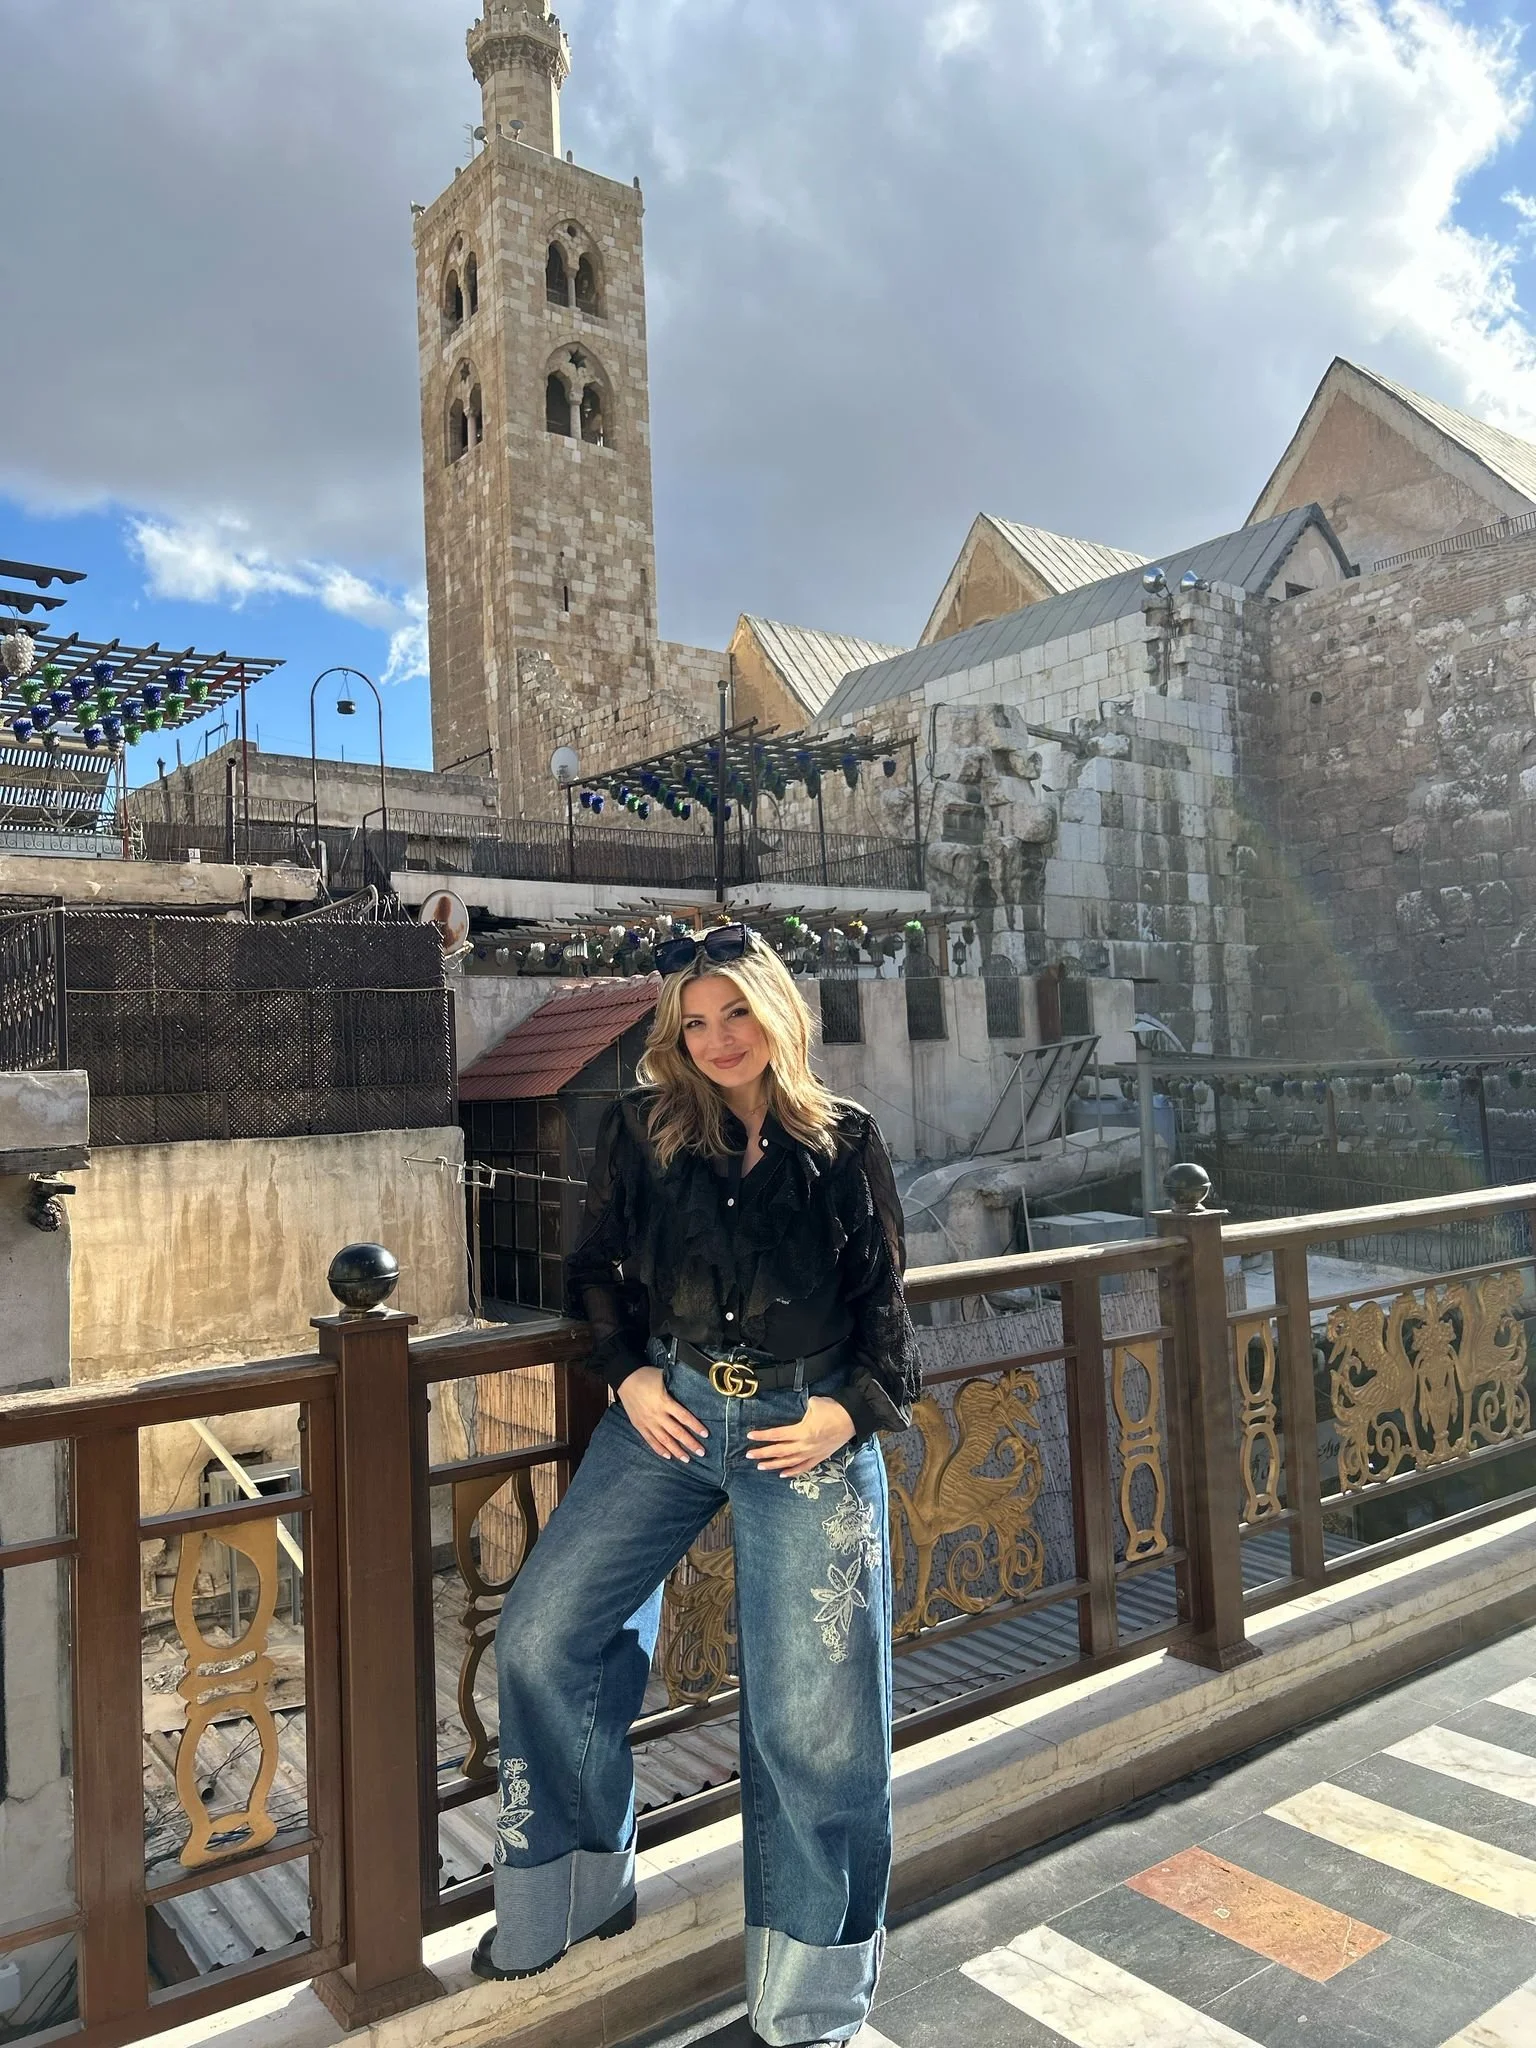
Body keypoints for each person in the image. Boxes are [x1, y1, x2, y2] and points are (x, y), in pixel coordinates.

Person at [473, 923, 920, 2047]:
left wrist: (845, 1414)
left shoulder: (844, 1141)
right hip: (668, 1417)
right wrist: (626, 1374)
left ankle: (812, 1998)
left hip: (803, 1432)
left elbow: (886, 1308)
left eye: (737, 1013)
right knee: (543, 1633)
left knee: (814, 1722)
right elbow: (594, 1267)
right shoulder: (644, 1129)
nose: (719, 1039)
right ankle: (576, 1884)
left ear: (777, 1012)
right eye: (696, 1022)